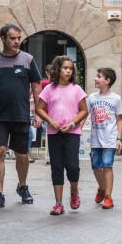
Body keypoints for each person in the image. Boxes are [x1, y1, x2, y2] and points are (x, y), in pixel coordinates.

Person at [0, 24, 43, 209]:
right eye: (12, 38)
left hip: (21, 115)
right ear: (3, 39)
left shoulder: (28, 60)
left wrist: (38, 112)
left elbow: (37, 86)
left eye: (18, 38)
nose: (16, 41)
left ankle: (23, 186)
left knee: (22, 155)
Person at [37, 56, 89, 216]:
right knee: (56, 167)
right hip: (54, 133)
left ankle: (74, 191)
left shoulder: (76, 89)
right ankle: (58, 203)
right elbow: (40, 109)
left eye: (71, 69)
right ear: (57, 69)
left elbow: (84, 110)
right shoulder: (49, 89)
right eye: (65, 68)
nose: (68, 71)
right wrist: (50, 121)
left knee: (73, 166)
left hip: (72, 133)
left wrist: (72, 124)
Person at [88, 67, 122, 210]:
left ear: (107, 81)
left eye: (99, 76)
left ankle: (108, 196)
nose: (96, 79)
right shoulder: (91, 98)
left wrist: (119, 138)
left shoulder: (116, 99)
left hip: (110, 138)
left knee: (107, 165)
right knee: (96, 166)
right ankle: (102, 188)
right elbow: (84, 114)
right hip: (95, 138)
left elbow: (120, 119)